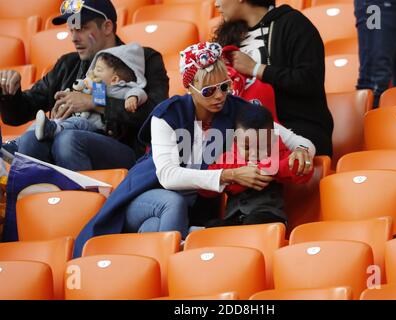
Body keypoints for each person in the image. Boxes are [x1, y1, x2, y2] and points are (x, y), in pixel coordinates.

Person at [73, 42, 316, 257]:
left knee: (154, 228)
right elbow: (167, 176)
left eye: (225, 86)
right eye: (209, 91)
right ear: (189, 88)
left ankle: (154, 269)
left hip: (194, 207)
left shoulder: (237, 109)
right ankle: (172, 269)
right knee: (172, 203)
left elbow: (300, 142)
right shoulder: (167, 114)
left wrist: (302, 153)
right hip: (147, 193)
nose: (220, 96)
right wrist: (229, 175)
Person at [0, 0, 169, 171]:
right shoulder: (68, 64)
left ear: (107, 27)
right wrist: (9, 92)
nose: (74, 38)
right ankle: (33, 195)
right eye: (71, 30)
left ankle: (84, 196)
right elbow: (18, 114)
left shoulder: (144, 59)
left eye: (81, 28)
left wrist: (94, 102)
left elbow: (158, 114)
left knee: (68, 139)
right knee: (31, 138)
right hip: (65, 149)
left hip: (124, 154)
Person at [213, 0, 334, 157]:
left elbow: (309, 80)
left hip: (297, 130)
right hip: (244, 133)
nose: (216, 4)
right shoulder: (227, 36)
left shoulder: (293, 24)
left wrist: (256, 69)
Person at [200, 103, 314, 227]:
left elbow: (301, 172)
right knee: (212, 227)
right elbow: (205, 188)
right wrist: (231, 176)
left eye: (262, 147)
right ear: (236, 140)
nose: (254, 154)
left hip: (268, 216)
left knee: (253, 223)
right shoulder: (227, 158)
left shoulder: (280, 154)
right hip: (234, 218)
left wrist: (269, 169)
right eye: (247, 147)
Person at [34, 42, 148, 141]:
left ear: (115, 79)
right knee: (41, 127)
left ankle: (54, 129)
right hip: (82, 119)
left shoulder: (122, 88)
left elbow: (139, 92)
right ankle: (19, 142)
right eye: (94, 69)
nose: (93, 73)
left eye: (99, 70)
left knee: (77, 123)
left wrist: (133, 98)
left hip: (96, 129)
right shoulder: (98, 85)